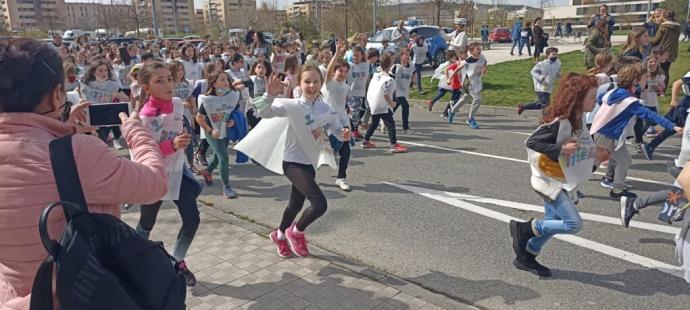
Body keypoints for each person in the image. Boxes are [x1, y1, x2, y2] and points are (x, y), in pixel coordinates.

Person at [0, 37, 167, 309]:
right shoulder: (78, 153)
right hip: (80, 294)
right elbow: (154, 184)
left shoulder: (71, 150)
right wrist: (137, 132)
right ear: (57, 94)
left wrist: (62, 130)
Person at [242, 66, 351, 258]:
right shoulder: (292, 105)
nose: (311, 85)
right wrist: (269, 95)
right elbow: (263, 113)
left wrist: (344, 134)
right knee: (320, 204)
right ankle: (296, 232)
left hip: (310, 163)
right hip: (292, 163)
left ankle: (279, 234)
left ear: (321, 83)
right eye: (307, 81)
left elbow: (338, 132)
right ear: (299, 84)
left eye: (316, 81)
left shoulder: (326, 108)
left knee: (294, 205)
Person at [510, 73, 609, 277]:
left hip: (560, 179)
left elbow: (580, 145)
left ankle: (527, 254)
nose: (595, 101)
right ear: (577, 98)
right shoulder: (561, 122)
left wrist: (595, 153)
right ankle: (527, 228)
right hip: (547, 181)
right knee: (573, 224)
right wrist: (561, 148)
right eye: (591, 97)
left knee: (553, 222)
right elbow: (532, 142)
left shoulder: (578, 118)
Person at [135, 61, 202, 287]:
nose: (168, 85)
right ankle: (131, 261)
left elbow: (180, 133)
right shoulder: (146, 117)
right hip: (154, 175)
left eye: (169, 79)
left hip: (177, 173)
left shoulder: (177, 104)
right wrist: (172, 145)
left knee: (192, 219)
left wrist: (183, 140)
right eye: (159, 81)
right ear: (147, 88)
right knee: (146, 224)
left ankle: (178, 261)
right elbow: (145, 150)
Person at [591, 63, 682, 199]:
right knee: (592, 164)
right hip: (605, 136)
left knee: (624, 161)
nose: (647, 79)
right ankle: (569, 186)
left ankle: (617, 191)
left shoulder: (614, 91)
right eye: (645, 77)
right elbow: (650, 115)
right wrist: (673, 126)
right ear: (635, 81)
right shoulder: (630, 101)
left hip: (610, 135)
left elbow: (600, 98)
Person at [196, 71, 243, 198]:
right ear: (214, 84)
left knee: (217, 157)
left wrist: (232, 121)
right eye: (222, 80)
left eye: (226, 79)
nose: (226, 82)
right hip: (212, 131)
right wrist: (210, 130)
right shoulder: (207, 99)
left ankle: (207, 171)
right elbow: (199, 118)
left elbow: (235, 112)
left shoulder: (232, 96)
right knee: (224, 157)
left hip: (225, 130)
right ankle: (226, 187)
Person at [323, 41, 354, 191]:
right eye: (340, 71)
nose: (342, 73)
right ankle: (304, 174)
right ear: (335, 72)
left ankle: (341, 177)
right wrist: (337, 53)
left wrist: (348, 110)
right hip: (327, 122)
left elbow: (342, 103)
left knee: (346, 150)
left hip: (342, 121)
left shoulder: (346, 86)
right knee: (324, 153)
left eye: (345, 71)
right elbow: (328, 71)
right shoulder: (329, 83)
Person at [78, 60, 130, 149]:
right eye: (100, 70)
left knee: (101, 144)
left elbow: (126, 99)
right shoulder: (85, 82)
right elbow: (82, 95)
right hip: (89, 117)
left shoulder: (112, 85)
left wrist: (116, 94)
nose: (104, 73)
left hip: (104, 118)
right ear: (93, 72)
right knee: (92, 146)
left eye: (106, 70)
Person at [362, 54, 408, 153]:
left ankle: (366, 140)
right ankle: (393, 144)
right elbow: (385, 94)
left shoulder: (376, 75)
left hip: (374, 103)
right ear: (391, 64)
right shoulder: (388, 79)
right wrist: (392, 103)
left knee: (374, 123)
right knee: (390, 124)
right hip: (382, 105)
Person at [643, 72, 690, 160]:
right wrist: (674, 99)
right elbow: (677, 83)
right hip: (686, 105)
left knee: (673, 128)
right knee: (681, 129)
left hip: (686, 104)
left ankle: (650, 146)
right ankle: (646, 141)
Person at [448, 42, 488, 129]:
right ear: (472, 51)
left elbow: (484, 62)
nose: (479, 50)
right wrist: (449, 78)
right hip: (468, 82)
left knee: (466, 98)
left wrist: (484, 68)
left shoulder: (482, 56)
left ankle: (451, 111)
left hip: (476, 81)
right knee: (477, 99)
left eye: (479, 48)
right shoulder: (468, 61)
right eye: (477, 49)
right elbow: (457, 69)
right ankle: (471, 119)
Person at [517, 47, 561, 114]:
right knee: (546, 106)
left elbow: (556, 72)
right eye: (553, 54)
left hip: (549, 87)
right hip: (541, 87)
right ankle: (546, 120)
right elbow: (533, 72)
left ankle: (523, 107)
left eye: (556, 54)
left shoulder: (557, 63)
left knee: (539, 104)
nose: (555, 56)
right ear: (547, 55)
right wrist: (541, 77)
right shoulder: (542, 64)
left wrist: (560, 76)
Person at [650, 9, 682, 90]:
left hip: (661, 52)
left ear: (664, 16)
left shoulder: (663, 27)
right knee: (665, 71)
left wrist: (647, 38)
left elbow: (655, 40)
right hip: (672, 51)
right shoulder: (677, 27)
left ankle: (653, 89)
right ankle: (663, 91)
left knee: (654, 70)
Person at [346, 46, 369, 139]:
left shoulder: (366, 65)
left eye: (358, 56)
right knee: (354, 112)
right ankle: (354, 131)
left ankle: (354, 129)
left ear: (362, 55)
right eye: (354, 56)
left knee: (361, 111)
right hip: (352, 93)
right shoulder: (349, 65)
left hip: (362, 92)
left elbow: (368, 77)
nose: (355, 57)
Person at [391, 48, 416, 134]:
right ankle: (405, 128)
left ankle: (385, 119)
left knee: (394, 107)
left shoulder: (411, 66)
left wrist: (413, 81)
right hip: (396, 91)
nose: (408, 57)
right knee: (406, 106)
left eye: (409, 55)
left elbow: (414, 73)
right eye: (406, 55)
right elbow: (390, 77)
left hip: (404, 90)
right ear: (401, 56)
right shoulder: (396, 67)